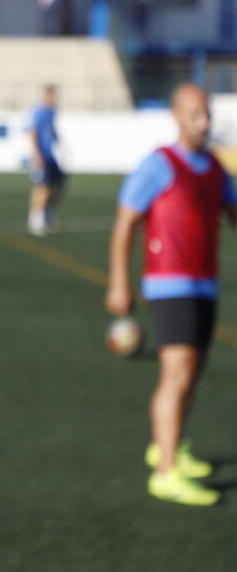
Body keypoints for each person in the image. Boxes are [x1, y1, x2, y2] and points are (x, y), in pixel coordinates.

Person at [105, 82, 236, 506]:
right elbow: (126, 223)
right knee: (176, 373)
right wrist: (119, 282)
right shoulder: (158, 166)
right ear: (177, 116)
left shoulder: (216, 169)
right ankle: (165, 473)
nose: (204, 122)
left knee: (193, 372)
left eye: (207, 114)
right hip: (169, 283)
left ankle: (170, 444)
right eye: (195, 114)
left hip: (205, 283)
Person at [26, 84, 65, 236]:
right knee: (42, 187)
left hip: (51, 155)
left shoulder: (52, 111)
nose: (54, 98)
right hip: (41, 154)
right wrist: (37, 154)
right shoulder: (39, 111)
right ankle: (35, 220)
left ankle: (48, 214)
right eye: (52, 95)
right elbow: (32, 132)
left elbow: (51, 129)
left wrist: (58, 140)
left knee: (59, 184)